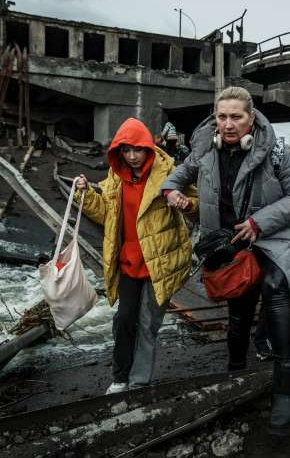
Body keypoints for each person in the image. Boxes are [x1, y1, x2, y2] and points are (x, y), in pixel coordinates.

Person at [162, 86, 290, 435]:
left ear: (251, 118)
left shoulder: (274, 149)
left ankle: (285, 390)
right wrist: (172, 193)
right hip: (231, 238)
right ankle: (235, 374)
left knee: (277, 288)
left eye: (236, 117)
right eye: (222, 116)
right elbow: (179, 174)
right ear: (215, 119)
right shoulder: (204, 146)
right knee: (240, 307)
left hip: (275, 233)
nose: (229, 125)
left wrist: (260, 222)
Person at [75, 117, 197, 394]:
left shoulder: (170, 173)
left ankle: (139, 382)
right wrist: (87, 195)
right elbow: (107, 214)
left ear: (149, 149)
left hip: (160, 263)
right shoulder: (115, 178)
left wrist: (186, 203)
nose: (131, 156)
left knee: (147, 324)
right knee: (124, 319)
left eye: (137, 149)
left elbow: (198, 203)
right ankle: (119, 379)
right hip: (129, 262)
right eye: (126, 150)